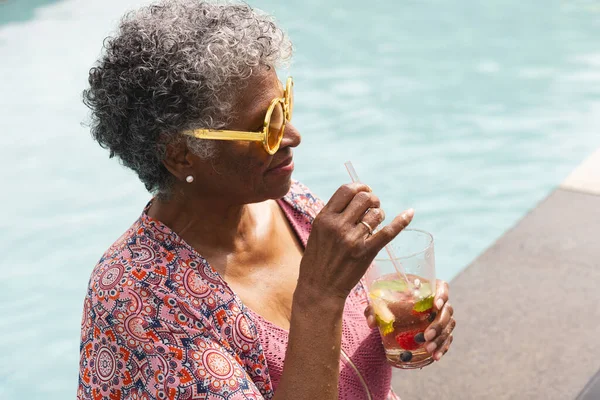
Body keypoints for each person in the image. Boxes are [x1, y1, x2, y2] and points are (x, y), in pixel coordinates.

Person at [77, 1, 456, 399]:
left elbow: (359, 350)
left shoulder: (296, 206)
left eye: (284, 106)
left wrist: (411, 328)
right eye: (265, 126)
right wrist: (318, 296)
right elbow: (322, 308)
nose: (292, 135)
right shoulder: (137, 299)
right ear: (180, 154)